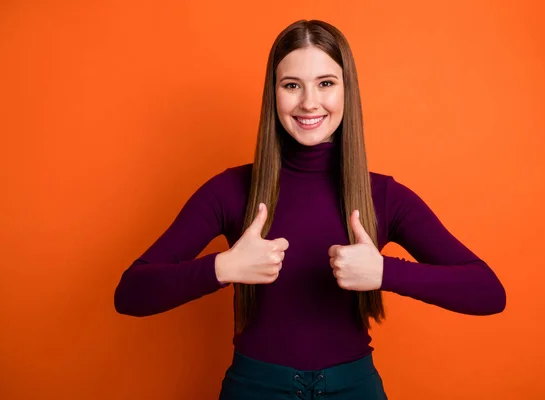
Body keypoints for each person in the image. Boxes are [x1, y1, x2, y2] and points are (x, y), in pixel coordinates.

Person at [114, 19, 506, 399]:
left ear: (346, 91)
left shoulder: (384, 195)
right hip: (255, 388)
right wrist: (223, 268)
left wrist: (386, 272)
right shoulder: (230, 190)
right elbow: (131, 293)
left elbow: (488, 292)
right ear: (273, 93)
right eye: (291, 85)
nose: (308, 102)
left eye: (325, 83)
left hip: (354, 388)